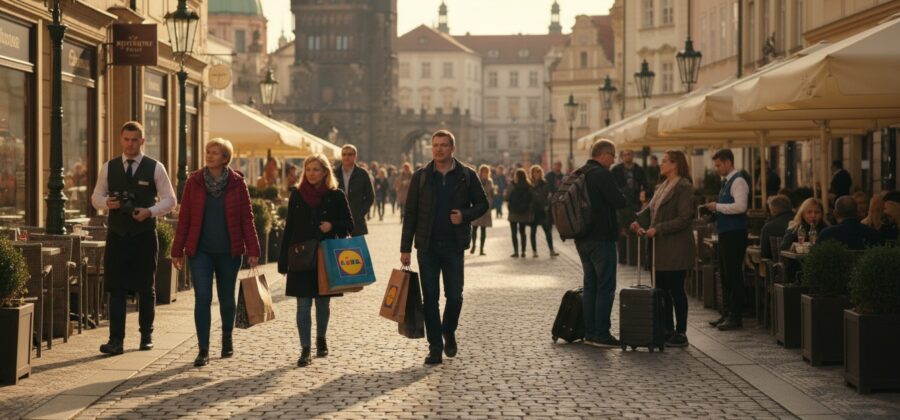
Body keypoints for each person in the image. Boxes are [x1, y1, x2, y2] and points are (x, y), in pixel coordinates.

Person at [400, 130, 488, 366]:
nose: (438, 149)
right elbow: (410, 214)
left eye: (443, 145)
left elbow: (483, 203)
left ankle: (448, 330)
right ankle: (435, 347)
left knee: (455, 296)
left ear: (452, 148)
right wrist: (405, 248)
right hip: (427, 246)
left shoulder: (466, 175)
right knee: (430, 298)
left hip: (453, 245)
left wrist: (465, 215)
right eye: (435, 145)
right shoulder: (421, 176)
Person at [171, 138, 260, 367]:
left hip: (229, 252)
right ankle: (203, 349)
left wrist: (253, 249)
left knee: (226, 299)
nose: (209, 156)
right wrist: (177, 250)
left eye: (215, 153)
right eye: (207, 152)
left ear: (225, 158)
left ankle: (227, 337)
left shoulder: (237, 184)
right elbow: (185, 219)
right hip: (200, 251)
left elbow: (246, 218)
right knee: (202, 298)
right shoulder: (194, 182)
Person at [91, 121, 177, 355]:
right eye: (126, 139)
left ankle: (146, 336)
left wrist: (150, 211)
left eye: (134, 140)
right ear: (121, 140)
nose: (130, 144)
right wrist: (106, 203)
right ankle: (115, 340)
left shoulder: (155, 167)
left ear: (142, 141)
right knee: (115, 288)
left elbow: (170, 200)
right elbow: (95, 197)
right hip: (117, 235)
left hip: (144, 235)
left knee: (145, 288)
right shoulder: (109, 167)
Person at [278, 154, 354, 367]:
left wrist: (332, 225)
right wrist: (283, 260)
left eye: (316, 170)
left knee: (322, 303)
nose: (311, 173)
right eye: (308, 169)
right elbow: (289, 228)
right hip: (301, 255)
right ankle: (305, 349)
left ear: (325, 173)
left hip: (325, 255)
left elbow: (350, 224)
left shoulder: (336, 195)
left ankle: (321, 338)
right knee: (302, 305)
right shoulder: (297, 195)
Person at [629, 150, 694, 347]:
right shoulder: (662, 185)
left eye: (665, 161)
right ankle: (666, 329)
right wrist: (637, 222)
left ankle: (681, 332)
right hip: (658, 249)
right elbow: (650, 211)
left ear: (675, 164)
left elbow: (684, 218)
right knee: (661, 291)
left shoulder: (683, 186)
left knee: (676, 291)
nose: (661, 164)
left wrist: (658, 229)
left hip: (675, 248)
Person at [576, 139, 627, 347]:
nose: (613, 161)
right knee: (605, 286)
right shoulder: (602, 175)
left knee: (590, 286)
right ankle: (601, 334)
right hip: (601, 238)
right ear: (604, 154)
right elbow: (619, 201)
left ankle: (590, 332)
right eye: (612, 156)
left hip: (582, 238)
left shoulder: (579, 173)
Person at [704, 149, 749, 331]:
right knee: (725, 274)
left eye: (719, 165)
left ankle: (735, 317)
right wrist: (713, 211)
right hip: (726, 233)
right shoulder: (727, 182)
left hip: (735, 233)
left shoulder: (738, 181)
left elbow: (740, 206)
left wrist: (718, 206)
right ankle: (726, 312)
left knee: (733, 274)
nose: (717, 168)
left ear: (728, 162)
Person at [334, 145, 375, 236]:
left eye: (350, 154)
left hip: (357, 220)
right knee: (339, 249)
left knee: (356, 249)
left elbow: (370, 197)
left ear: (355, 156)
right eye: (344, 154)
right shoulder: (334, 173)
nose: (346, 157)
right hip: (338, 220)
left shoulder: (362, 173)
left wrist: (360, 212)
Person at [817, 195, 881, 250]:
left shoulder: (827, 234)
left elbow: (814, 256)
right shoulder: (872, 233)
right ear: (857, 212)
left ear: (835, 213)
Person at [529, 165, 558, 257]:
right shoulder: (530, 183)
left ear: (540, 173)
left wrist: (546, 205)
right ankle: (534, 251)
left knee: (547, 231)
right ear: (532, 173)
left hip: (542, 210)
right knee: (533, 232)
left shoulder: (544, 183)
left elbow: (548, 196)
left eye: (538, 172)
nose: (536, 174)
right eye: (534, 172)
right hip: (533, 211)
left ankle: (551, 250)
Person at [505, 168, 534, 258]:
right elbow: (532, 199)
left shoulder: (512, 185)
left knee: (514, 233)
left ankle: (516, 251)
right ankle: (523, 252)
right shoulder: (529, 185)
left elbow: (506, 197)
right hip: (524, 212)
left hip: (513, 212)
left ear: (516, 177)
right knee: (523, 232)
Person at [759, 195, 794, 260]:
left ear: (773, 210)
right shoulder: (799, 220)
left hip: (777, 266)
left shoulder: (768, 227)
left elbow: (764, 254)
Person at [470, 164, 494, 256]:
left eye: (486, 172)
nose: (485, 173)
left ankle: (481, 249)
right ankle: (473, 246)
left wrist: (490, 205)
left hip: (486, 208)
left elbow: (491, 194)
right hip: (477, 207)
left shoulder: (490, 181)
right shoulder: (476, 180)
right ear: (481, 172)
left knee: (483, 230)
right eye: (483, 172)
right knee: (474, 228)